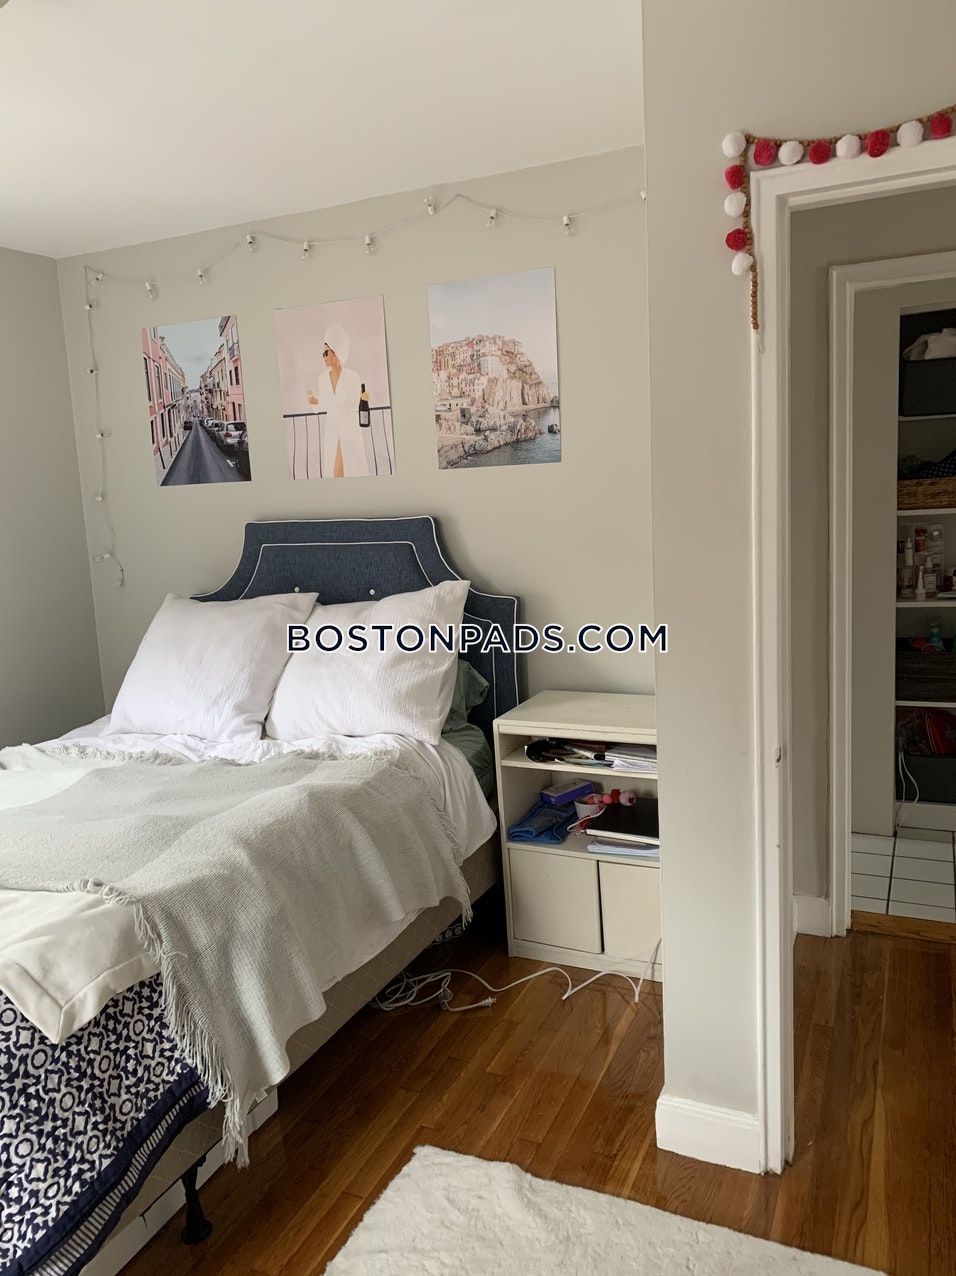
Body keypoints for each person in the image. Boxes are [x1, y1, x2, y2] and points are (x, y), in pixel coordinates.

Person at [306, 324, 367, 477]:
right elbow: (325, 404)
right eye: (323, 353)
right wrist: (314, 401)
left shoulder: (352, 377)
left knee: (350, 467)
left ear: (335, 353)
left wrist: (364, 398)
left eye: (326, 353)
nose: (324, 357)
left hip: (349, 426)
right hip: (332, 427)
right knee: (334, 468)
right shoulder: (323, 379)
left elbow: (357, 403)